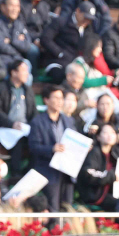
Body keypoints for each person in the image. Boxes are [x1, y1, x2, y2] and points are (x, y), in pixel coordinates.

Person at [30, 84, 75, 212]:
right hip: (49, 170)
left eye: (61, 98)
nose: (60, 101)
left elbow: (76, 139)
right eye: (56, 98)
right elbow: (34, 147)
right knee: (53, 208)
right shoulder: (37, 122)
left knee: (67, 207)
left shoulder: (68, 121)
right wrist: (51, 149)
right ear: (46, 100)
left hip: (67, 171)